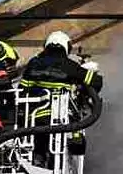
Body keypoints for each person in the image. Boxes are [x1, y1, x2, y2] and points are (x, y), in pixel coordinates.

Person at [19, 31, 103, 164]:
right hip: (60, 117)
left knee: (40, 146)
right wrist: (86, 93)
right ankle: (53, 162)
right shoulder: (68, 65)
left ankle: (38, 159)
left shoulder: (33, 64)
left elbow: (22, 89)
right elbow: (96, 81)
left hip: (34, 118)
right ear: (65, 47)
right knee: (64, 150)